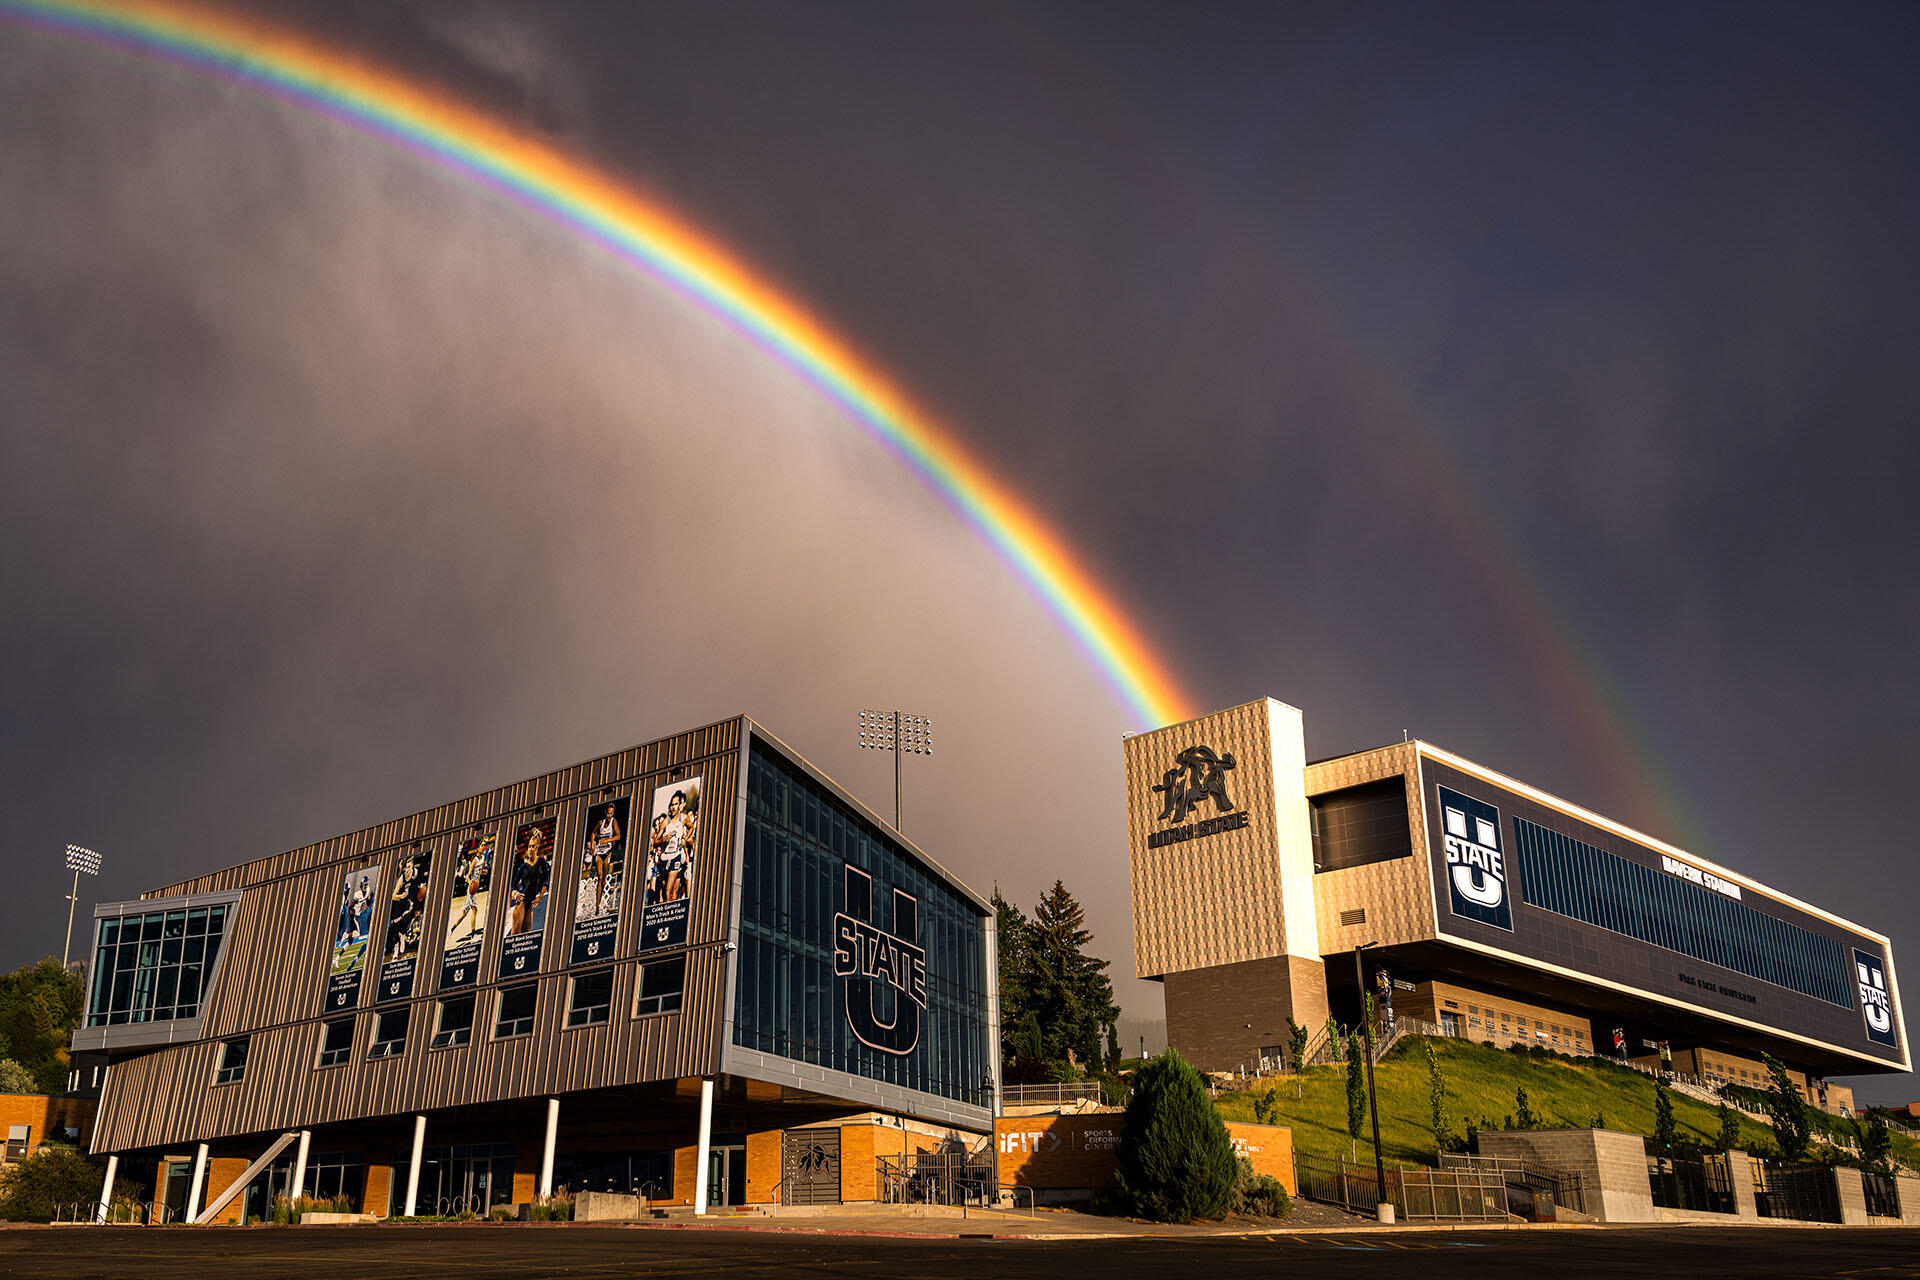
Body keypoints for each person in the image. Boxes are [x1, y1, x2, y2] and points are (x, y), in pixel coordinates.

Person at [509, 825, 551, 935]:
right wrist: (515, 894)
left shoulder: (541, 861)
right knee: (515, 934)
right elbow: (513, 885)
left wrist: (540, 897)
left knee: (526, 934)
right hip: (521, 902)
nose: (530, 849)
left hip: (530, 904)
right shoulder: (524, 867)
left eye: (533, 846)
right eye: (529, 846)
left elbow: (547, 880)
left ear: (537, 847)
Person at [582, 803, 622, 917]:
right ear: (605, 813)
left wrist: (608, 840)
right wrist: (593, 845)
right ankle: (597, 906)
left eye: (611, 813)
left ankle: (602, 893)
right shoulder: (601, 823)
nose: (609, 815)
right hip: (599, 852)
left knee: (604, 879)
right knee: (600, 877)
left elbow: (618, 836)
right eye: (608, 813)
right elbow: (593, 833)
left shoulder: (614, 822)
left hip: (608, 852)